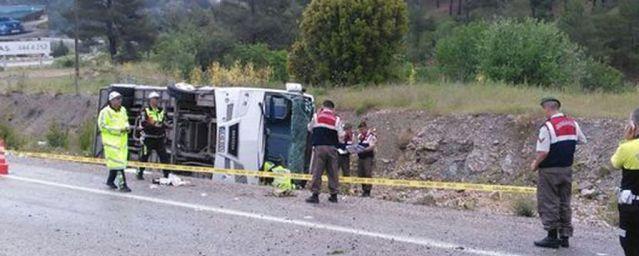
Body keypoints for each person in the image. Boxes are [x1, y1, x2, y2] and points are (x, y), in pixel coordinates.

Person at [530, 97, 587, 249]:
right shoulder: (572, 123)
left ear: (548, 109)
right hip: (567, 169)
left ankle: (552, 236)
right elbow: (582, 140)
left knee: (549, 202)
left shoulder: (547, 126)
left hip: (549, 170)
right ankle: (565, 236)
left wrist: (535, 164)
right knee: (564, 202)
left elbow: (543, 152)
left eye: (544, 110)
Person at [610, 108, 639, 256]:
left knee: (629, 242)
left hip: (632, 206)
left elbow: (614, 164)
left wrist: (627, 141)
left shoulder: (626, 148)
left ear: (634, 126)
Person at [306, 100, 342, 204]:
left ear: (323, 106)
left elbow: (309, 128)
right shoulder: (337, 119)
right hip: (332, 148)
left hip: (319, 147)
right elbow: (341, 135)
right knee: (333, 172)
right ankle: (334, 195)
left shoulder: (317, 116)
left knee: (317, 171)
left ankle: (315, 195)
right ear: (332, 108)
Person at [98, 91, 132, 192]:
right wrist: (117, 130)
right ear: (111, 101)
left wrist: (127, 127)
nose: (119, 101)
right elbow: (102, 126)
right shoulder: (105, 112)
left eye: (120, 99)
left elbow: (125, 121)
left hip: (122, 143)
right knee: (118, 164)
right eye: (116, 99)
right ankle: (123, 185)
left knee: (117, 163)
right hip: (111, 143)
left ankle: (110, 181)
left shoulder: (123, 110)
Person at [137, 91, 171, 180]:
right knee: (144, 155)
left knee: (164, 157)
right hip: (148, 138)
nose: (156, 100)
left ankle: (167, 174)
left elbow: (167, 121)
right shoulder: (145, 110)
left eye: (157, 99)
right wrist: (154, 124)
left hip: (159, 138)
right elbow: (143, 122)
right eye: (154, 99)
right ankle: (139, 172)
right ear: (150, 100)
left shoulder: (161, 111)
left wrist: (164, 125)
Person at [356, 121, 377, 197]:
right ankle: (363, 188)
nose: (361, 131)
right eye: (360, 130)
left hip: (368, 157)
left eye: (362, 129)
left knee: (367, 173)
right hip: (360, 157)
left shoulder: (370, 136)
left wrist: (364, 149)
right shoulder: (359, 136)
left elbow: (372, 146)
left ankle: (368, 190)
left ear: (365, 128)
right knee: (360, 173)